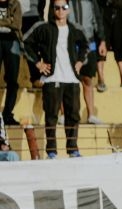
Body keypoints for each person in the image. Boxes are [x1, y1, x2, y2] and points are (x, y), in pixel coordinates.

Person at [24, 0, 88, 159]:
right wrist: (38, 63)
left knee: (73, 116)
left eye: (64, 7)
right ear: (53, 9)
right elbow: (25, 43)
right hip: (52, 79)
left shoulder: (76, 29)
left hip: (72, 79)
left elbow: (86, 46)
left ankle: (73, 149)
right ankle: (51, 151)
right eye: (57, 7)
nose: (60, 10)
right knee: (51, 116)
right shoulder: (43, 28)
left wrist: (80, 61)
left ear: (68, 9)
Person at [68, 0, 105, 125]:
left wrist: (102, 40)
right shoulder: (64, 2)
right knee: (67, 81)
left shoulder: (91, 1)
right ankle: (64, 114)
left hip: (89, 43)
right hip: (70, 44)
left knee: (88, 79)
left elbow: (97, 20)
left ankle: (91, 115)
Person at [96, 0, 122, 91]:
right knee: (101, 46)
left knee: (121, 46)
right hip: (103, 11)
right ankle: (101, 79)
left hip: (120, 12)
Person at [0, 0, 22, 126]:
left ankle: (7, 114)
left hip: (12, 41)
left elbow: (17, 24)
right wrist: (9, 20)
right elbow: (12, 22)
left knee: (12, 80)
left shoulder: (15, 3)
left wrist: (4, 22)